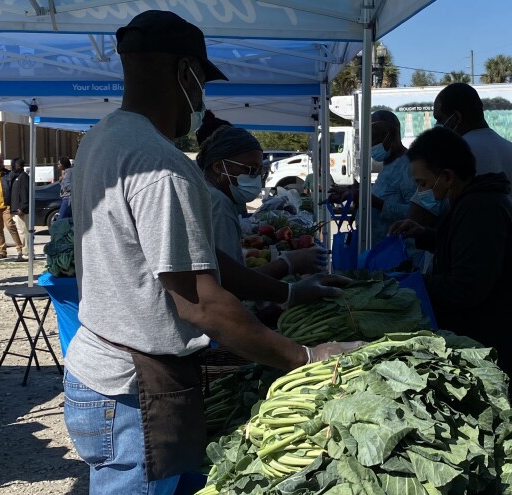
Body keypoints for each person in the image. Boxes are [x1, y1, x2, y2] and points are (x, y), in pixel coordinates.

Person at [64, 11, 362, 494]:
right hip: (133, 388)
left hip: (101, 371)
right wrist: (305, 356)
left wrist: (287, 293)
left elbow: (195, 261)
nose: (202, 101)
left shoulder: (102, 138)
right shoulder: (161, 166)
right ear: (185, 73)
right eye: (202, 84)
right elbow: (200, 302)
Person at [389, 127, 512, 404]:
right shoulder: (476, 200)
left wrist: (410, 284)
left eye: (423, 183)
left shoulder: (480, 208)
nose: (421, 191)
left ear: (447, 177)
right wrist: (425, 235)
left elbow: (465, 287)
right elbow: (470, 249)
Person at [195, 113, 326, 276]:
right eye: (250, 170)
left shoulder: (202, 191)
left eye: (259, 172)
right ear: (219, 167)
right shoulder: (218, 204)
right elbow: (231, 279)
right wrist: (288, 264)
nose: (255, 178)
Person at [417, 83, 512, 227]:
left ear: (456, 118)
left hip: (466, 241)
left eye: (440, 119)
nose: (437, 125)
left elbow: (420, 216)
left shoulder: (449, 156)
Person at [329, 110, 417, 246]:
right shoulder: (389, 164)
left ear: (393, 134)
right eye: (369, 139)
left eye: (375, 137)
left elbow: (414, 214)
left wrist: (373, 202)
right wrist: (355, 191)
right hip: (378, 249)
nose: (371, 144)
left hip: (398, 251)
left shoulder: (409, 166)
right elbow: (388, 192)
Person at [9, 157, 30, 262]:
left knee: (24, 232)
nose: (12, 167)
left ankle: (27, 254)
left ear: (18, 166)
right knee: (21, 231)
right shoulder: (16, 176)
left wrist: (22, 207)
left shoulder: (23, 176)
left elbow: (25, 193)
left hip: (21, 210)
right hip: (15, 209)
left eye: (13, 165)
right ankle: (25, 252)